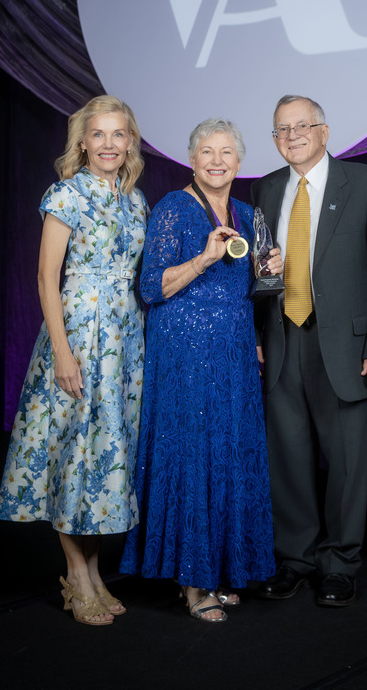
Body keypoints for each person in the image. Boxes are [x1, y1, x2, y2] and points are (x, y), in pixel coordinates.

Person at [120, 118, 282, 623]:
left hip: (233, 351)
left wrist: (271, 272)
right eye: (206, 151)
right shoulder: (172, 208)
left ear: (239, 161)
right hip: (183, 352)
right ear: (191, 159)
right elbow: (151, 288)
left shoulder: (249, 214)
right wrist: (205, 258)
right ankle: (192, 584)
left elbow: (256, 293)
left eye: (226, 152)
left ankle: (219, 570)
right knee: (192, 456)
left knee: (229, 454)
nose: (217, 160)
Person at [0, 95, 148, 625]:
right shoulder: (67, 194)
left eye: (118, 134)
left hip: (125, 344)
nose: (109, 144)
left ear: (130, 142)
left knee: (103, 461)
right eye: (99, 134)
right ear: (82, 142)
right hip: (79, 337)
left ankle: (95, 573)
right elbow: (46, 278)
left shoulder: (136, 200)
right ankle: (76, 577)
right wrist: (62, 352)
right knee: (71, 457)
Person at [249, 95, 367, 607]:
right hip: (282, 340)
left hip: (350, 347)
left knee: (347, 463)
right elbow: (260, 274)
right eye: (281, 130)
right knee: (288, 460)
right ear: (274, 140)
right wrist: (255, 334)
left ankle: (339, 565)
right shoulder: (267, 189)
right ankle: (295, 560)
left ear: (324, 131)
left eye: (301, 126)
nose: (291, 136)